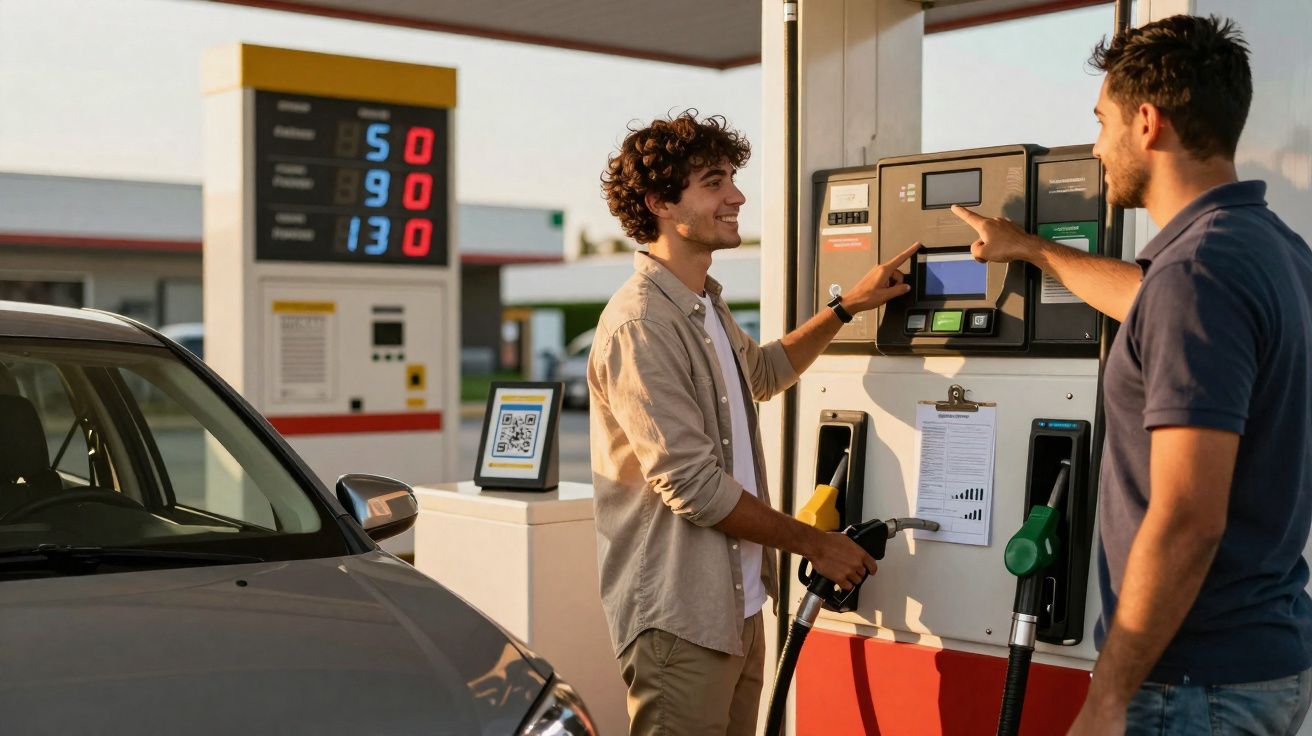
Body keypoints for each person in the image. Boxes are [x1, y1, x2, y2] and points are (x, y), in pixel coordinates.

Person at [952, 15, 1312, 736]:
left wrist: (1107, 695)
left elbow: (1186, 518)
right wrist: (1029, 248)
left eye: (1101, 120)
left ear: (1147, 122)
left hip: (1189, 683)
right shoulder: (1271, 250)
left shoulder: (1198, 276)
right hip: (1258, 662)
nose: (1094, 146)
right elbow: (1149, 301)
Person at [589, 111, 918, 735]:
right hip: (680, 618)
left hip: (734, 606)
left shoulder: (702, 304)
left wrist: (848, 305)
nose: (737, 195)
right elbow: (692, 486)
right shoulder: (642, 325)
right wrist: (818, 543)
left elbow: (763, 373)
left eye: (733, 179)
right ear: (661, 201)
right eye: (714, 182)